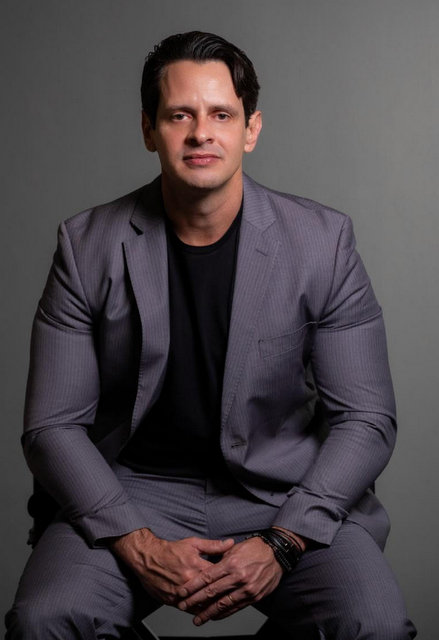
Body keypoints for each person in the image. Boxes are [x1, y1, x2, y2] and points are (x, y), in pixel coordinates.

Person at [6, 31, 416, 639]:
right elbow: (52, 426)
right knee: (46, 620)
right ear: (149, 130)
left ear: (251, 129)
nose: (202, 133)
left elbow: (366, 417)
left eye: (221, 114)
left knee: (372, 623)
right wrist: (135, 539)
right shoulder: (86, 246)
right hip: (131, 492)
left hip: (283, 491)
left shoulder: (322, 243)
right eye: (180, 115)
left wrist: (284, 539)